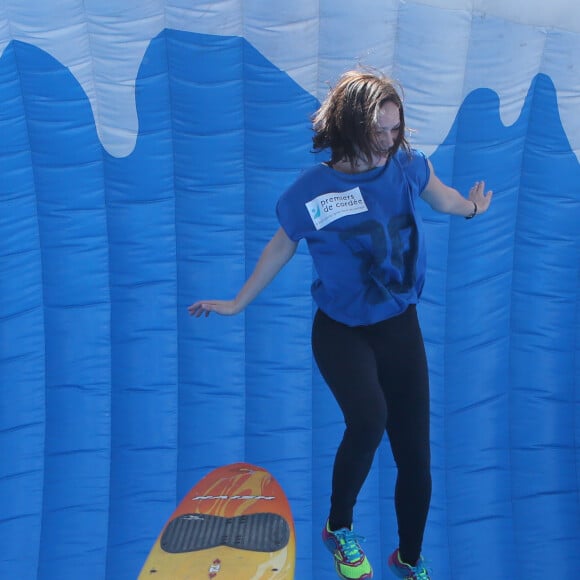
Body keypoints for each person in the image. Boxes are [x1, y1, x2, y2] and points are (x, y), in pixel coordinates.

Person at [188, 69, 492, 580]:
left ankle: (410, 560)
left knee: (415, 457)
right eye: (379, 131)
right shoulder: (314, 190)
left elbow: (443, 198)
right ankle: (339, 527)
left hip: (399, 325)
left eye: (396, 129)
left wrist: (472, 209)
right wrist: (239, 302)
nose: (389, 141)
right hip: (341, 331)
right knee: (369, 419)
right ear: (350, 127)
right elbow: (281, 245)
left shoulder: (406, 167)